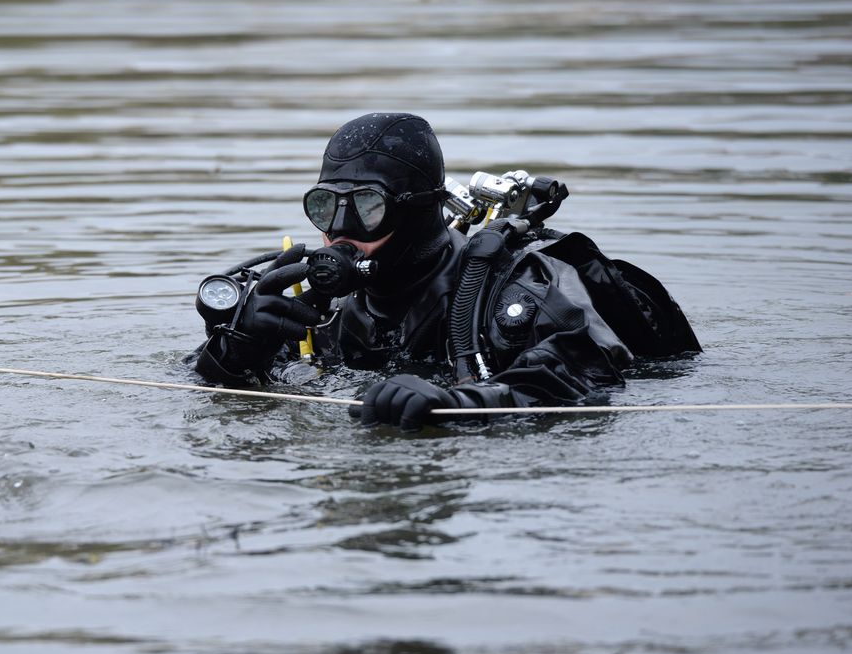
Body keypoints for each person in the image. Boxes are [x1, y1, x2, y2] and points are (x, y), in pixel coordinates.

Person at [193, 112, 700, 430]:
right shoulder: (323, 312)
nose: (340, 232)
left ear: (418, 211)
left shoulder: (521, 289)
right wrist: (234, 352)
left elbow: (587, 386)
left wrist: (458, 404)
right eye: (325, 207)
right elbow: (201, 391)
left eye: (367, 207)